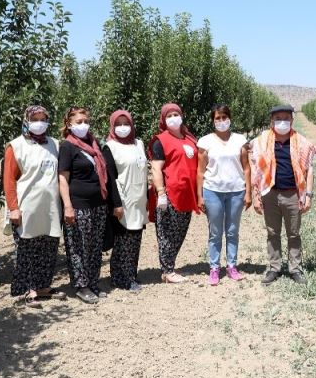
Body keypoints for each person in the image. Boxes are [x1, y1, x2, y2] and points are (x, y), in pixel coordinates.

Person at [3, 105, 64, 307]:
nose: (39, 123)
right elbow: (9, 180)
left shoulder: (54, 144)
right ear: (26, 121)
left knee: (48, 246)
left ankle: (42, 286)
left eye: (43, 118)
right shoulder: (16, 146)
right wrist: (13, 207)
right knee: (26, 249)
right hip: (27, 206)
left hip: (50, 207)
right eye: (35, 119)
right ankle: (25, 291)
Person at [250, 104, 315, 285]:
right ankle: (274, 268)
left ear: (292, 120)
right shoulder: (261, 141)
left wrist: (308, 195)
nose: (282, 122)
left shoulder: (302, 142)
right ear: (271, 121)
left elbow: (309, 169)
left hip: (293, 194)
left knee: (293, 233)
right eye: (278, 119)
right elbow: (256, 169)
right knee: (272, 233)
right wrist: (256, 195)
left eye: (286, 118)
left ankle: (295, 269)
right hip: (269, 194)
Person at [196, 104, 252, 286]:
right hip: (213, 191)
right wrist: (199, 195)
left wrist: (248, 192)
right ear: (213, 121)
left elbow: (246, 168)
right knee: (215, 231)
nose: (221, 121)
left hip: (236, 191)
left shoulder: (240, 140)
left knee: (232, 230)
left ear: (230, 118)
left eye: (224, 117)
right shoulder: (205, 142)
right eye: (217, 118)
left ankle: (231, 266)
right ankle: (214, 267)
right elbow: (200, 171)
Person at [58, 106, 108, 304]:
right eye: (79, 122)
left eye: (86, 121)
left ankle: (93, 282)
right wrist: (68, 206)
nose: (83, 125)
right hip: (78, 204)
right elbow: (62, 178)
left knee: (95, 247)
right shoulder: (67, 147)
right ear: (69, 125)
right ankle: (81, 285)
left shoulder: (93, 143)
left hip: (98, 204)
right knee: (78, 247)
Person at [148, 103, 201, 284]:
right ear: (163, 119)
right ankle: (167, 270)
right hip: (170, 194)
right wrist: (161, 193)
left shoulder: (189, 138)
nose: (173, 118)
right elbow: (156, 168)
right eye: (168, 115)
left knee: (180, 232)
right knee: (167, 233)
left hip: (187, 194)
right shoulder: (160, 141)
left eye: (175, 114)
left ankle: (169, 265)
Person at [102, 110, 148, 293]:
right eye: (118, 124)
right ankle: (121, 278)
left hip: (139, 198)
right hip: (123, 200)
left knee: (135, 239)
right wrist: (116, 204)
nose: (123, 127)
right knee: (123, 240)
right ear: (113, 126)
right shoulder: (110, 147)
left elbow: (144, 171)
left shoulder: (139, 144)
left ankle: (131, 274)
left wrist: (146, 197)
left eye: (126, 123)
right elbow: (110, 178)